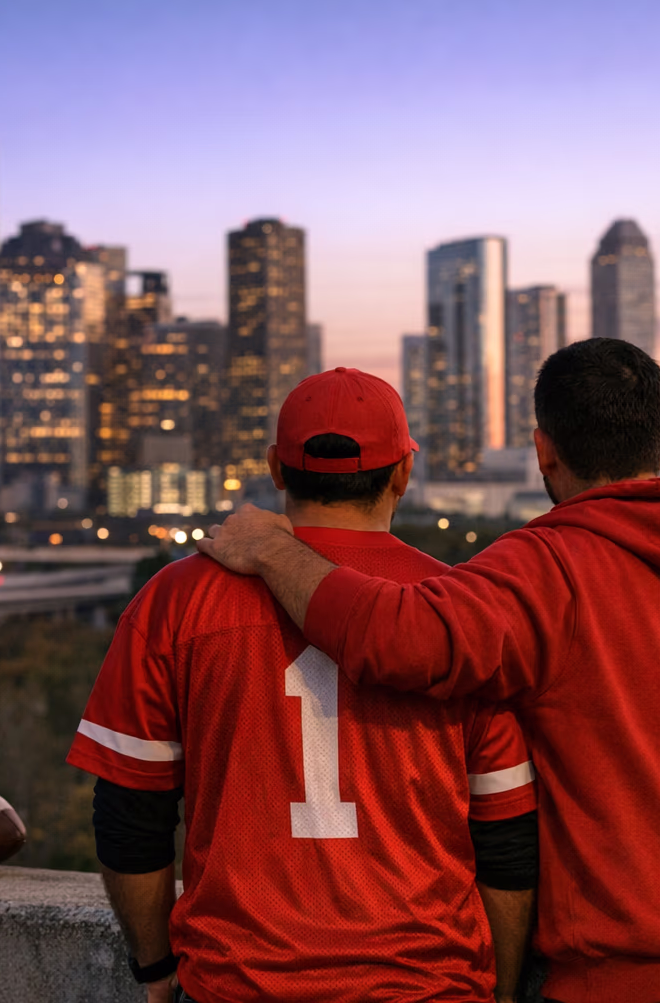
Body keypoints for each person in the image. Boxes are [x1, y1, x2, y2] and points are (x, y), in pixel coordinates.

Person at [197, 339, 660, 1003]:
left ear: (542, 452)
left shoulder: (545, 571)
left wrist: (269, 551)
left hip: (632, 983)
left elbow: (393, 639)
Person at [68, 367, 540, 1003]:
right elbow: (506, 836)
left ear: (277, 470)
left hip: (238, 984)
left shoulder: (173, 602)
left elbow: (130, 817)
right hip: (429, 985)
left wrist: (155, 973)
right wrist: (504, 992)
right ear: (403, 474)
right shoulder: (456, 612)